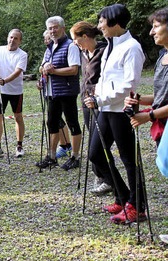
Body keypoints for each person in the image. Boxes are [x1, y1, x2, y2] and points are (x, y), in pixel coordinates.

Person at [85, 4, 145, 224]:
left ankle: (138, 206)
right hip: (105, 109)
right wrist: (96, 97)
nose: (99, 25)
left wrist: (100, 99)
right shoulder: (111, 45)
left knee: (129, 160)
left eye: (102, 21)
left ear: (114, 22)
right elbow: (104, 78)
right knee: (95, 155)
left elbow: (129, 84)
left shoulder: (131, 47)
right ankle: (123, 197)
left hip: (121, 110)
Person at [126, 8, 168, 231]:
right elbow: (162, 96)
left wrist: (148, 115)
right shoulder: (163, 56)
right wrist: (139, 100)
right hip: (162, 123)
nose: (152, 32)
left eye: (156, 26)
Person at [69, 21, 111, 195]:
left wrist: (96, 95)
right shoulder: (83, 52)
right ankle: (100, 174)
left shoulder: (104, 50)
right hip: (85, 100)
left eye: (75, 39)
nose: (74, 43)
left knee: (100, 141)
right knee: (93, 137)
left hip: (100, 101)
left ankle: (106, 178)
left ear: (85, 36)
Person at [36, 16, 83, 171]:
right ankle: (51, 156)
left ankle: (75, 156)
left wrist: (53, 70)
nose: (52, 31)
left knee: (72, 123)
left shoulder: (71, 46)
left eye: (55, 27)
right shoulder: (49, 47)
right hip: (51, 92)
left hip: (67, 91)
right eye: (50, 28)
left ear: (63, 28)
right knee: (52, 123)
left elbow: (74, 69)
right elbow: (42, 67)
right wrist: (43, 73)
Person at [0, 29, 28, 159]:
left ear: (20, 41)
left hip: (16, 91)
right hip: (0, 91)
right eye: (11, 37)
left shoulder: (22, 54)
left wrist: (4, 81)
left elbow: (17, 72)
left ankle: (19, 145)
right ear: (7, 38)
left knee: (17, 117)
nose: (12, 40)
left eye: (16, 38)